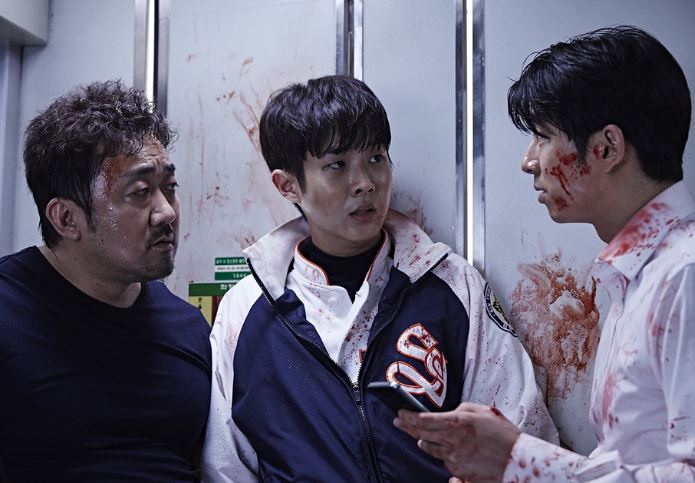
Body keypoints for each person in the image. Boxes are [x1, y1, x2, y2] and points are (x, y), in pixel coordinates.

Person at [200, 75, 557, 482]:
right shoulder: (247, 311)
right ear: (288, 185)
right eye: (337, 166)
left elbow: (521, 434)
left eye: (376, 158)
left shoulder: (452, 285)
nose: (366, 183)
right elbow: (224, 466)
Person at [394, 25, 695, 482]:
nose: (528, 161)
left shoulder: (684, 276)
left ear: (606, 148)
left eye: (542, 135)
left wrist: (519, 461)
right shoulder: (641, 274)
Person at [0, 80, 212, 482]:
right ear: (66, 219)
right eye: (140, 192)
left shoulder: (189, 328)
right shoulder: (8, 311)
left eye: (170, 188)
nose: (167, 212)